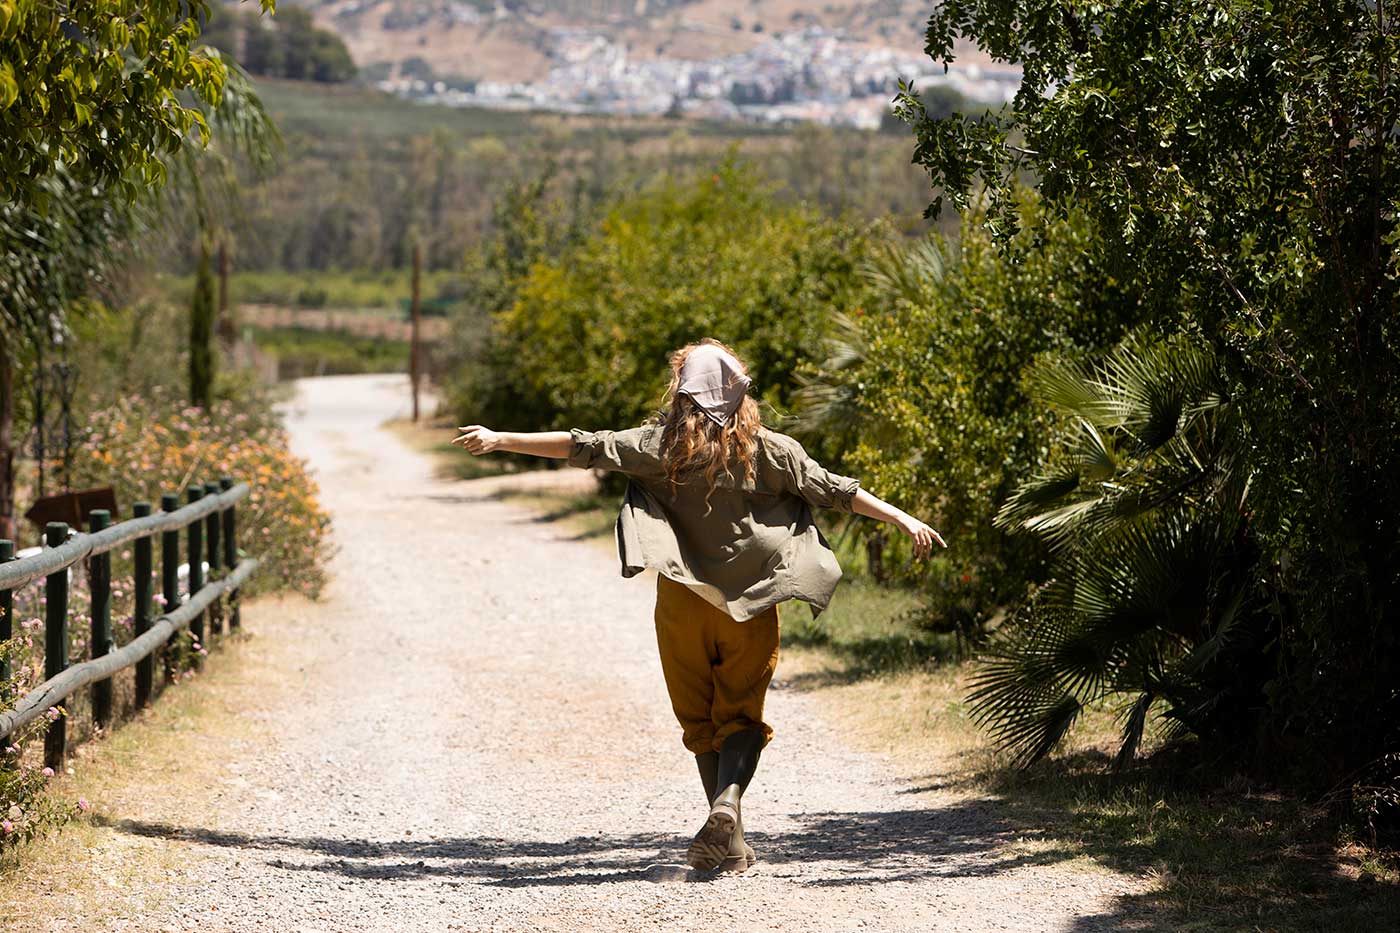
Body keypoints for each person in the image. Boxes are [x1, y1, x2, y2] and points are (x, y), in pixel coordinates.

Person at [452, 339, 945, 873]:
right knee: (740, 716)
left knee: (699, 719)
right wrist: (902, 518)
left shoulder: (658, 446)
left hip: (683, 604)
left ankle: (727, 840)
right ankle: (728, 807)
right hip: (751, 606)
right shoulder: (772, 449)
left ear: (681, 393)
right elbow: (836, 490)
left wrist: (501, 437)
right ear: (741, 394)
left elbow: (582, 446)